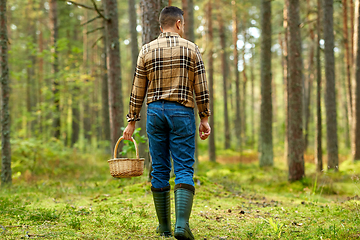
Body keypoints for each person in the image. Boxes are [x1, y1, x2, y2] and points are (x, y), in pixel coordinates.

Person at [123, 6, 211, 239]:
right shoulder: (191, 48)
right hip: (182, 111)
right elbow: (200, 86)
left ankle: (164, 228)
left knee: (160, 167)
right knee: (183, 167)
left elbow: (137, 87)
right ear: (179, 24)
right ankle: (181, 226)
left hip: (154, 113)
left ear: (161, 25)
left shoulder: (146, 50)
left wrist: (132, 120)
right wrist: (204, 117)